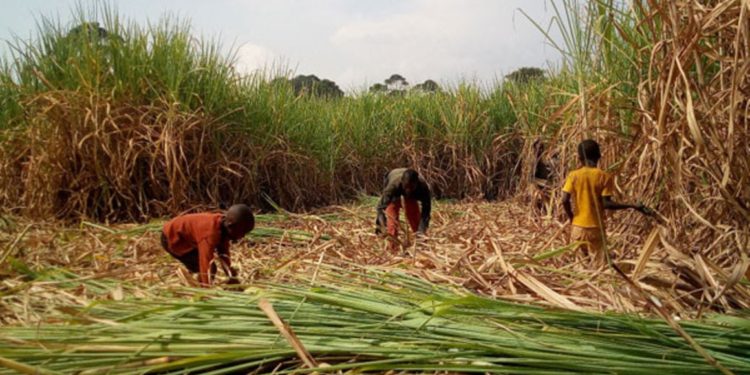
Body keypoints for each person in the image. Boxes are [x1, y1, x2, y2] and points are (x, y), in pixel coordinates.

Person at [561, 140, 651, 265]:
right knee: (598, 267)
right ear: (599, 156)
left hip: (577, 228)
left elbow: (564, 200)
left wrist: (572, 218)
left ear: (579, 157)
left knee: (578, 266)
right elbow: (607, 204)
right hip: (596, 228)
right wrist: (632, 205)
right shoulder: (604, 177)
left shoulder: (573, 175)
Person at [161, 204, 254, 286]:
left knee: (204, 268)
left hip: (185, 237)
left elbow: (223, 253)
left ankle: (196, 282)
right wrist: (206, 290)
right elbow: (205, 262)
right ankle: (199, 292)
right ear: (231, 226)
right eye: (242, 232)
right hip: (173, 239)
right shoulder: (209, 234)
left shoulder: (223, 225)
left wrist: (230, 275)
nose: (242, 236)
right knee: (211, 269)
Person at [375, 168, 432, 248]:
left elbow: (426, 212)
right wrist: (381, 225)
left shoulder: (422, 187)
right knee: (392, 223)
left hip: (412, 197)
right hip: (394, 196)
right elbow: (381, 208)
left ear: (416, 183)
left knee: (416, 222)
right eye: (406, 187)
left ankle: (421, 246)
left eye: (411, 187)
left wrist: (421, 230)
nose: (408, 190)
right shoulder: (393, 186)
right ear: (402, 182)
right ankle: (392, 249)